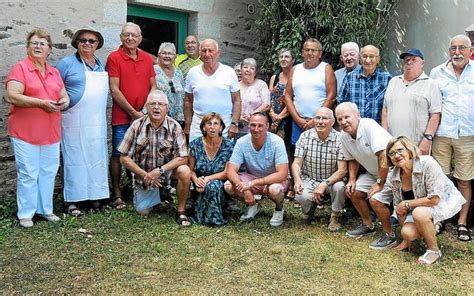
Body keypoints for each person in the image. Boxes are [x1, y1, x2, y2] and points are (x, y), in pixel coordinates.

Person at [5, 29, 69, 228]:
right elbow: (12, 95)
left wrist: (64, 102)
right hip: (25, 132)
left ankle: (45, 210)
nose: (38, 46)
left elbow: (63, 95)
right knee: (28, 173)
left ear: (49, 49)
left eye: (42, 43)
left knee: (49, 171)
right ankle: (26, 213)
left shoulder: (54, 71)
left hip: (51, 131)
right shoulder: (20, 68)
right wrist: (40, 103)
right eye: (34, 43)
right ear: (27, 47)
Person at [386, 136, 465, 264]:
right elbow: (399, 209)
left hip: (442, 201)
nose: (396, 155)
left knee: (419, 213)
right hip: (418, 207)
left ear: (409, 150)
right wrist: (405, 240)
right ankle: (427, 227)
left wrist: (406, 203)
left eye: (400, 150)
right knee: (407, 233)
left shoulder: (427, 163)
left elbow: (434, 199)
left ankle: (434, 250)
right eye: (392, 153)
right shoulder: (393, 175)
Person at [56, 26, 109, 216]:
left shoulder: (101, 65)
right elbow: (55, 87)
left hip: (96, 122)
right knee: (74, 159)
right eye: (83, 40)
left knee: (96, 157)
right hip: (73, 120)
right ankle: (72, 200)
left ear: (97, 45)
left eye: (91, 41)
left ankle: (96, 196)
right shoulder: (66, 63)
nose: (87, 43)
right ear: (76, 43)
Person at [118, 90, 192, 225]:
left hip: (167, 172)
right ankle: (161, 194)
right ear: (147, 107)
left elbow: (183, 157)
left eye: (161, 104)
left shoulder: (175, 126)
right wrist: (146, 175)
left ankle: (181, 211)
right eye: (153, 104)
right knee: (143, 211)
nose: (156, 107)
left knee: (185, 170)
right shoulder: (136, 126)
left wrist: (159, 171)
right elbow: (124, 157)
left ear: (167, 108)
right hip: (144, 175)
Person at [106, 22, 157, 209]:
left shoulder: (146, 58)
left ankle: (143, 191)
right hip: (122, 117)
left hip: (144, 115)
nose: (130, 38)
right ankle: (117, 193)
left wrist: (145, 110)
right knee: (119, 153)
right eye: (126, 35)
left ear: (140, 38)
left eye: (134, 36)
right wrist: (132, 112)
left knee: (144, 152)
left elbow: (153, 86)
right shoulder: (114, 58)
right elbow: (114, 89)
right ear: (121, 37)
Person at [430, 34, 473, 241]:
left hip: (468, 135)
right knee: (441, 179)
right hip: (442, 134)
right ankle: (440, 218)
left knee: (464, 180)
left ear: (470, 50)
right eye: (453, 48)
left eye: (462, 48)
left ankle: (462, 223)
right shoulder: (436, 73)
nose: (457, 52)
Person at [335, 102, 396, 249]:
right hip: (373, 172)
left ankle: (390, 236)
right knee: (353, 192)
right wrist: (352, 179)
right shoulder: (343, 135)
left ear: (358, 115)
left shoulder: (368, 125)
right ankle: (368, 225)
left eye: (347, 117)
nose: (343, 122)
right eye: (340, 119)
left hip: (393, 171)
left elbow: (383, 156)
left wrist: (380, 183)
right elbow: (352, 158)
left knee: (375, 199)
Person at [224, 112, 289, 226]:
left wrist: (253, 183)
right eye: (253, 125)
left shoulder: (277, 142)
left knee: (274, 189)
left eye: (260, 125)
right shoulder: (242, 142)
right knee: (228, 185)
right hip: (253, 177)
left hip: (274, 180)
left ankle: (279, 209)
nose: (256, 129)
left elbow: (282, 174)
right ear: (248, 126)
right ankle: (253, 205)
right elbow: (230, 170)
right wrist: (246, 190)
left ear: (267, 126)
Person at [292, 107, 347, 231]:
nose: (320, 121)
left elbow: (342, 170)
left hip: (331, 180)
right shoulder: (305, 136)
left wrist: (324, 184)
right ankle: (310, 208)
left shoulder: (340, 139)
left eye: (325, 118)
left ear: (333, 122)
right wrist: (297, 180)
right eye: (317, 117)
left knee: (340, 187)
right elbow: (296, 163)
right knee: (301, 195)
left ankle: (335, 215)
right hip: (309, 177)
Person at [381, 48, 441, 155]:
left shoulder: (431, 84)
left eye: (413, 60)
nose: (409, 62)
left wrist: (427, 139)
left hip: (417, 144)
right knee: (395, 171)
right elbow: (385, 110)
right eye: (406, 60)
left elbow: (435, 115)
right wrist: (385, 136)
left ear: (422, 63)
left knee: (417, 171)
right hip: (393, 143)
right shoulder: (393, 81)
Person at [184, 38, 241, 142]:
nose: (207, 54)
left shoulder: (229, 72)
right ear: (200, 53)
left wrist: (234, 124)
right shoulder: (193, 73)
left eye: (210, 50)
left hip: (224, 124)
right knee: (196, 156)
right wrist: (188, 124)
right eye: (204, 50)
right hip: (199, 125)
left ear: (218, 53)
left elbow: (237, 100)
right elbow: (188, 100)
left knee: (223, 157)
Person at [285, 38, 337, 145]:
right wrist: (297, 119)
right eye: (307, 50)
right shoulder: (295, 69)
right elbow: (287, 96)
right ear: (302, 52)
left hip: (321, 122)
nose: (309, 53)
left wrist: (316, 119)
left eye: (313, 50)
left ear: (320, 53)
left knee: (318, 154)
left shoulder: (326, 68)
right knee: (298, 153)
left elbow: (331, 97)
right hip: (298, 122)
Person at [189, 112, 234, 226]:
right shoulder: (195, 144)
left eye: (216, 124)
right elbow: (190, 169)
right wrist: (197, 181)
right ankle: (201, 216)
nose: (212, 127)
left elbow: (227, 172)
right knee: (207, 186)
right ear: (204, 127)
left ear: (221, 127)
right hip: (199, 182)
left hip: (221, 182)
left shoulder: (228, 145)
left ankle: (214, 219)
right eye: (209, 123)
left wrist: (207, 179)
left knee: (213, 186)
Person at [337, 45, 392, 123]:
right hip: (355, 127)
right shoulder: (350, 77)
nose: (368, 60)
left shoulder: (387, 78)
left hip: (378, 128)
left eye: (371, 56)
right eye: (364, 56)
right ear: (360, 59)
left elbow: (390, 106)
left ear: (378, 59)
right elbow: (341, 102)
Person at [154, 42, 185, 127]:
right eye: (164, 53)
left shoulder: (179, 73)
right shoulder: (153, 71)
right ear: (159, 55)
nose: (167, 56)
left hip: (178, 120)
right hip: (158, 119)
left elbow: (183, 95)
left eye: (170, 53)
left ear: (175, 57)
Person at [268, 48, 295, 139]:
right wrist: (272, 114)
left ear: (293, 60)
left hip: (288, 119)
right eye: (281, 57)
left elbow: (293, 101)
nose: (283, 59)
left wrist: (279, 117)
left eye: (287, 57)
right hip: (271, 118)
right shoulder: (274, 77)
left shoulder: (296, 78)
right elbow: (269, 99)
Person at [239, 58, 270, 134]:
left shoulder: (261, 85)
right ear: (241, 70)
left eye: (252, 68)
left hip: (258, 126)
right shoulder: (235, 86)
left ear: (255, 72)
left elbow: (266, 105)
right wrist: (238, 118)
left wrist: (252, 116)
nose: (248, 70)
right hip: (238, 126)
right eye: (245, 67)